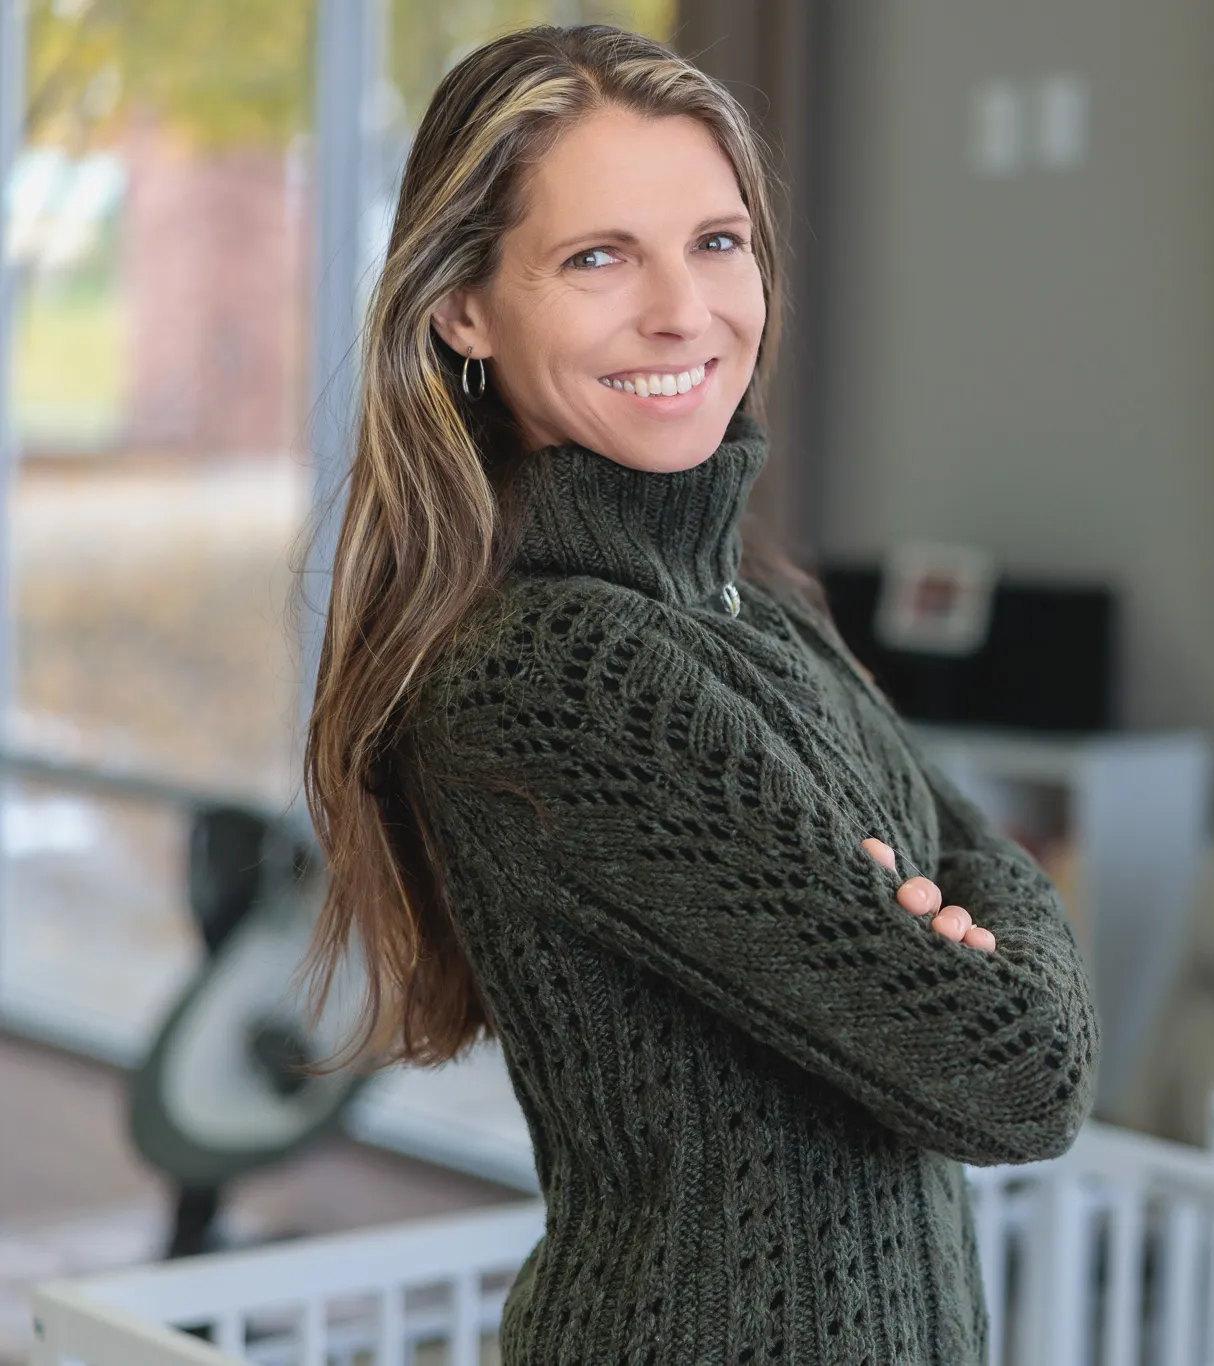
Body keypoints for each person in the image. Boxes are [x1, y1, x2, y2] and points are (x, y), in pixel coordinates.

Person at [297, 24, 1099, 1364]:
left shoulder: (760, 612)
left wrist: (971, 892)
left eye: (716, 241)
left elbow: (975, 857)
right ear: (465, 309)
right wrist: (967, 917)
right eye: (599, 256)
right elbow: (1019, 1070)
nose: (683, 309)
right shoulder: (555, 674)